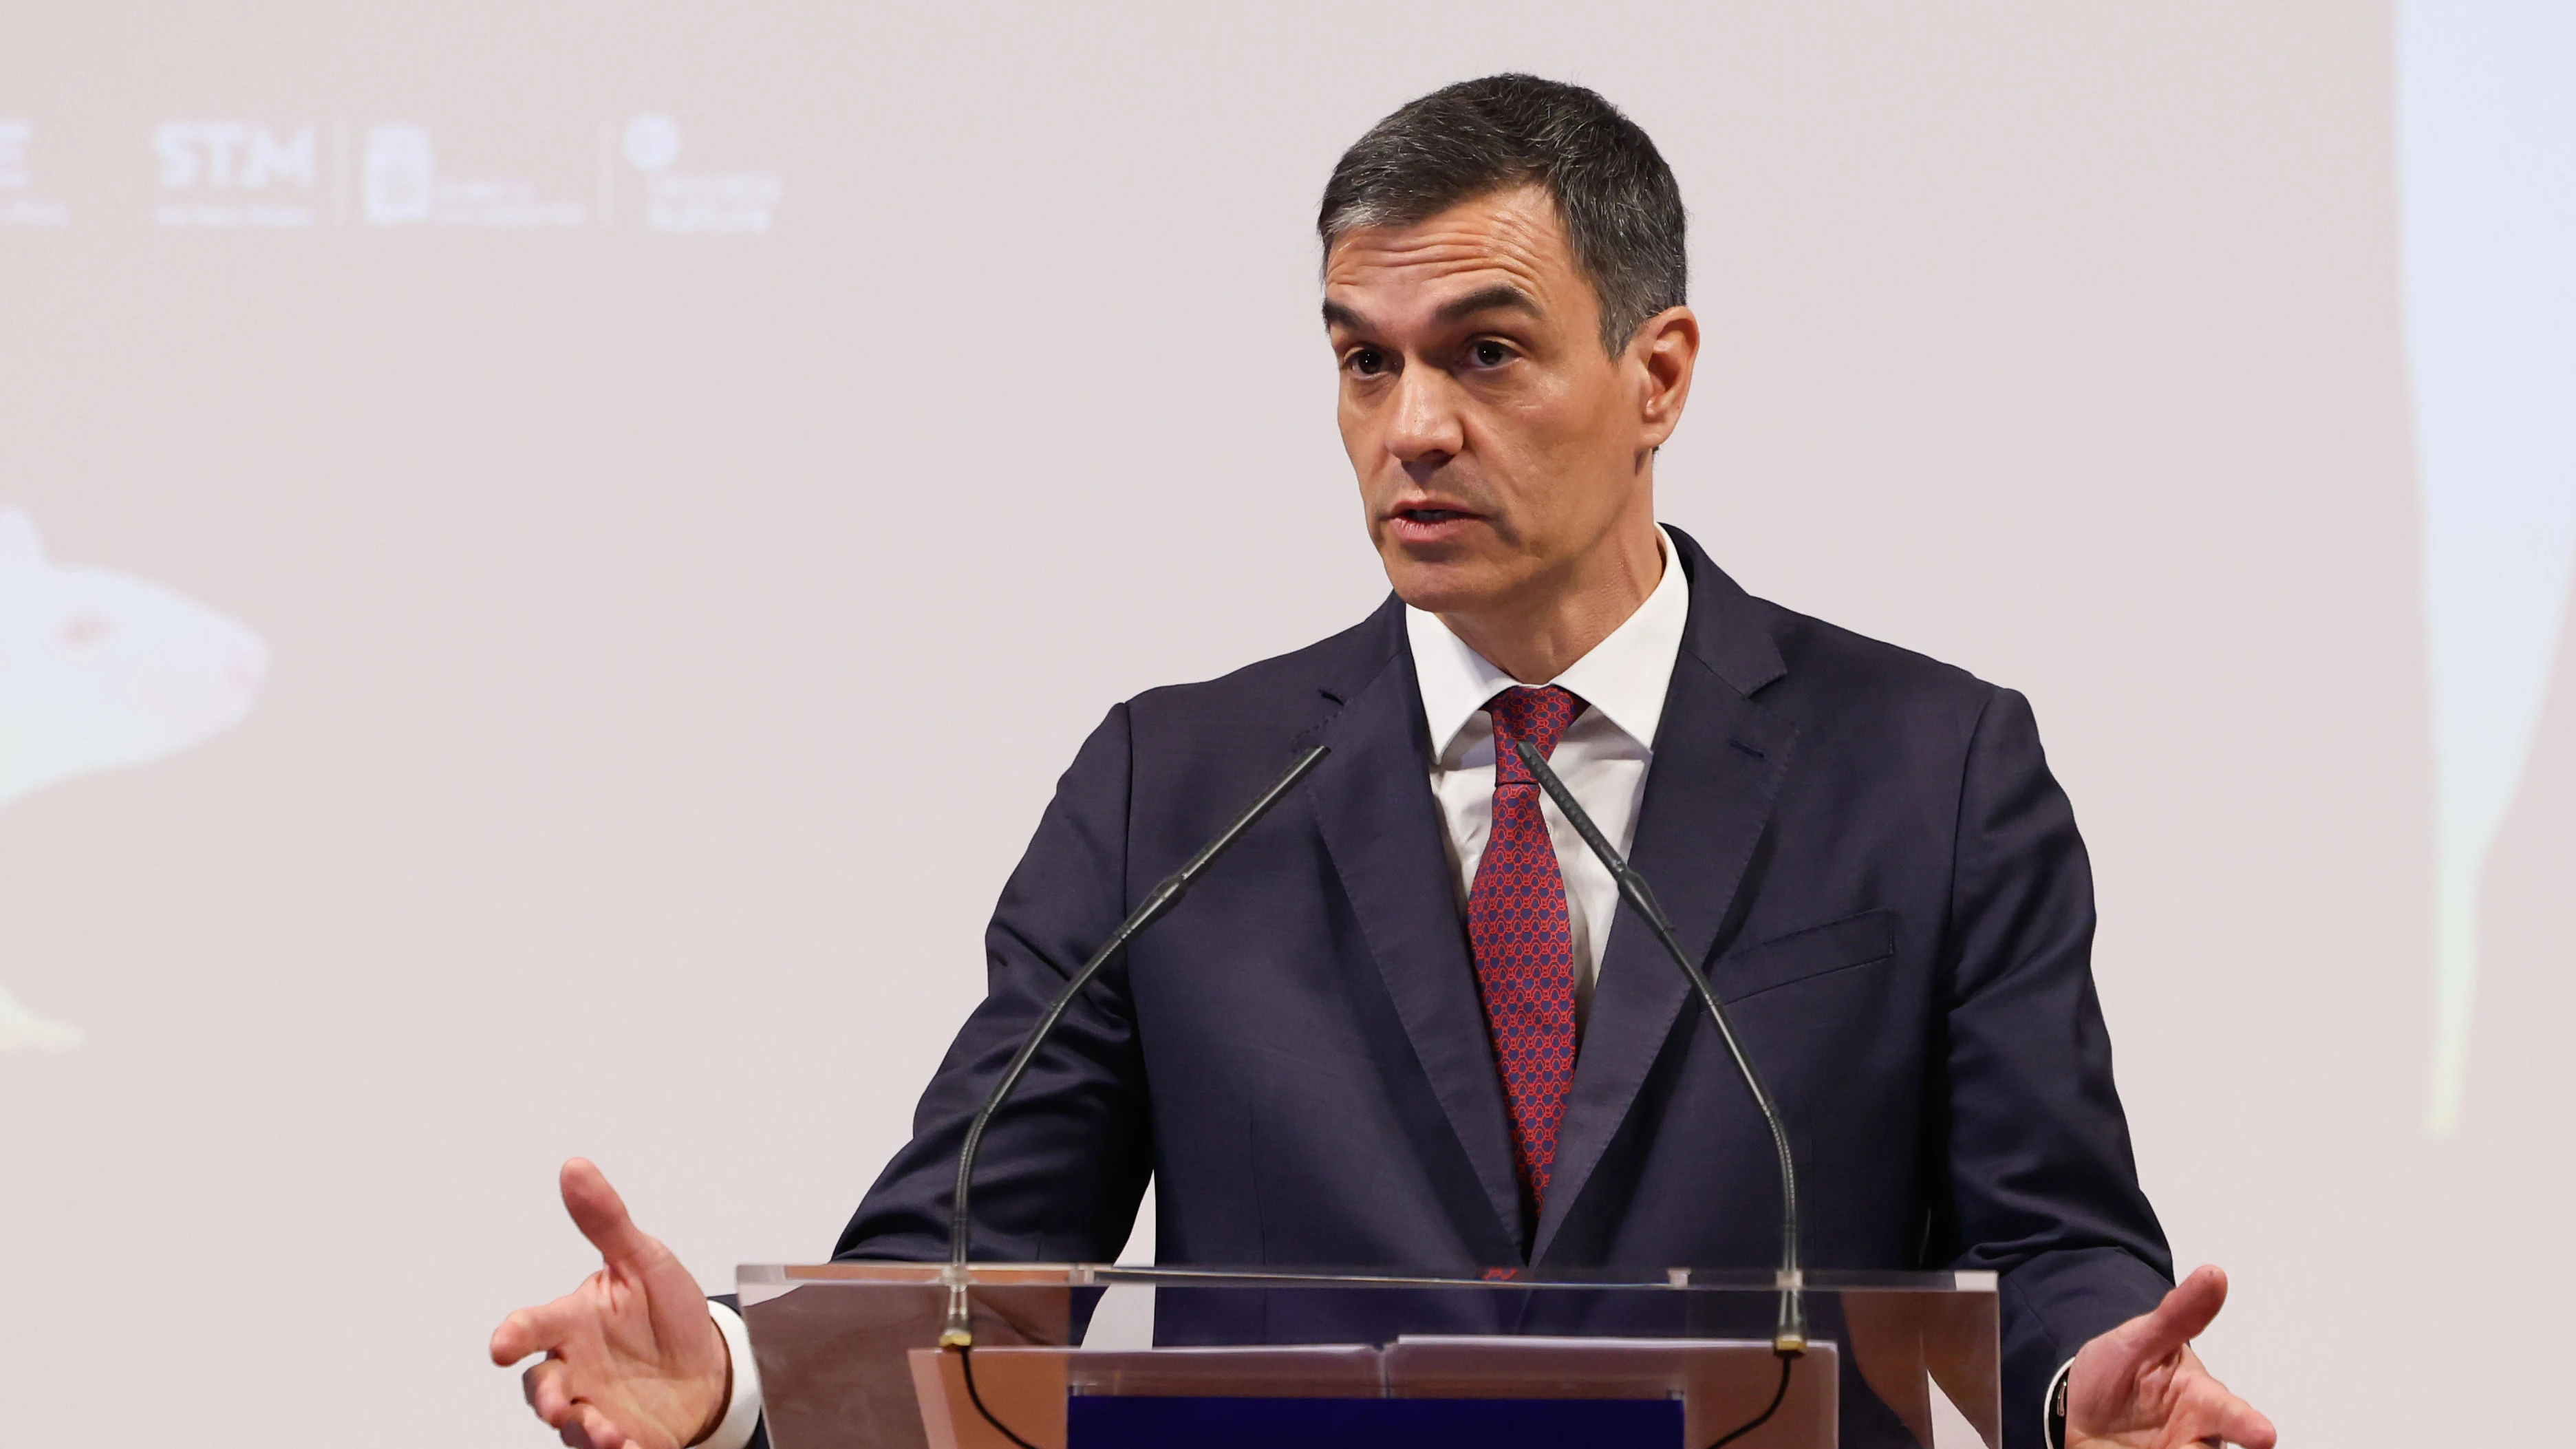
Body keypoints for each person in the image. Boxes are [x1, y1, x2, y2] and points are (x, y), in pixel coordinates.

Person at [491, 75, 2278, 1449]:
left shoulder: (1932, 767)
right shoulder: (1172, 791)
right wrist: (730, 1376)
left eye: (1484, 356)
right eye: (1365, 363)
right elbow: (976, 1264)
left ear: (1657, 374)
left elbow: (2054, 1237)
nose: (1411, 428)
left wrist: (2077, 1399)